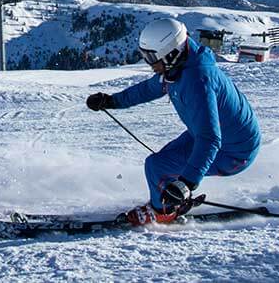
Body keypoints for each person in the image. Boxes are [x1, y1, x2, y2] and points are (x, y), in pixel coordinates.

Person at [86, 18, 261, 226]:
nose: (149, 64)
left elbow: (210, 139)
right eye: (145, 55)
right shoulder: (178, 66)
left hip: (234, 152)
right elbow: (148, 89)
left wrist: (186, 183)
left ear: (171, 52)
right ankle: (171, 202)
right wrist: (111, 101)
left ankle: (163, 212)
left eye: (151, 57)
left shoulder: (198, 81)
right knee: (161, 163)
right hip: (210, 136)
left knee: (157, 166)